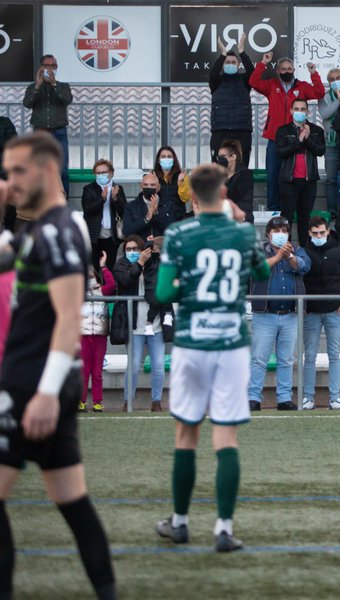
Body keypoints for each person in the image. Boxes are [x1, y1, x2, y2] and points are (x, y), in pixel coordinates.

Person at [0, 132, 116, 599]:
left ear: (48, 172)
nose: (11, 182)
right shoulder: (40, 230)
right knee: (72, 501)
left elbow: (71, 316)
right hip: (43, 383)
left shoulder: (60, 229)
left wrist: (46, 391)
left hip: (32, 384)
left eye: (17, 172)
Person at [154, 163, 270, 552]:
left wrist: (187, 285)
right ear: (223, 191)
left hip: (191, 341)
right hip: (231, 343)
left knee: (186, 434)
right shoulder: (240, 232)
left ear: (190, 193)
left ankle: (182, 522)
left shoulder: (178, 233)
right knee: (226, 436)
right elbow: (259, 271)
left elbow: (163, 292)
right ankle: (223, 528)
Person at [247, 216, 310, 412]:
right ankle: (253, 398)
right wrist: (277, 256)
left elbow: (305, 267)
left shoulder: (297, 250)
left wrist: (289, 256)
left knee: (286, 359)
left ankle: (284, 398)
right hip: (264, 314)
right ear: (268, 234)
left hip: (290, 314)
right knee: (259, 358)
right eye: (276, 231)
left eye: (284, 230)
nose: (280, 234)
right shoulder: (258, 250)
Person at [301, 216, 340, 411]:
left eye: (322, 232)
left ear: (328, 231)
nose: (319, 236)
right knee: (309, 355)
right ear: (309, 233)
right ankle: (307, 397)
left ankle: (335, 398)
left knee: (334, 355)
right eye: (315, 233)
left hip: (335, 310)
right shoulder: (304, 252)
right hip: (311, 311)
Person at [250, 52, 325, 211]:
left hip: (298, 139)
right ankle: (274, 211)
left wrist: (314, 74)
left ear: (294, 70)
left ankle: (291, 210)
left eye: (289, 68)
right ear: (277, 71)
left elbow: (319, 93)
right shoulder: (271, 85)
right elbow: (253, 82)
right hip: (275, 139)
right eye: (283, 69)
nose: (286, 71)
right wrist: (263, 63)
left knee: (293, 178)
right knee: (273, 177)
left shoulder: (302, 87)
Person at [113, 234, 171, 413]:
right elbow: (125, 280)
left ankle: (156, 401)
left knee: (159, 364)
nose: (132, 252)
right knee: (134, 365)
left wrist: (154, 251)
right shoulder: (121, 265)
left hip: (156, 324)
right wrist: (138, 264)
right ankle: (127, 402)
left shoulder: (156, 262)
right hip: (133, 324)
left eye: (135, 249)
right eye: (128, 249)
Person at [275, 98, 325, 245]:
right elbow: (280, 152)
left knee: (305, 219)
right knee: (287, 218)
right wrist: (299, 140)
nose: (300, 112)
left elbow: (320, 151)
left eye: (303, 109)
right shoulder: (283, 130)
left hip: (309, 181)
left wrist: (308, 139)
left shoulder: (316, 130)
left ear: (308, 111)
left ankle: (305, 251)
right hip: (288, 181)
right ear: (291, 111)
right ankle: (285, 251)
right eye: (296, 109)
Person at [22, 55, 72, 197]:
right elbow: (27, 104)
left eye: (53, 66)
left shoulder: (63, 86)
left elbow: (67, 100)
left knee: (62, 170)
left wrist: (54, 84)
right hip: (40, 133)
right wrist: (38, 85)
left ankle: (63, 205)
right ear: (41, 67)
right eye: (46, 66)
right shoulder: (33, 87)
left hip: (59, 132)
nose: (50, 69)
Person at [209, 35, 254, 166]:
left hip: (242, 129)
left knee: (242, 166)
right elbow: (213, 74)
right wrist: (222, 54)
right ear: (222, 65)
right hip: (220, 129)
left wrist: (241, 51)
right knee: (218, 167)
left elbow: (252, 72)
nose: (230, 64)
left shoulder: (245, 81)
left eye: (233, 62)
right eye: (227, 62)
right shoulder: (216, 82)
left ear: (238, 64)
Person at [80, 252, 116, 413]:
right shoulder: (78, 294)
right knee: (83, 371)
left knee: (97, 371)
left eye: (91, 275)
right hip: (82, 335)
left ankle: (97, 401)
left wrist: (103, 266)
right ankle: (80, 401)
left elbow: (112, 284)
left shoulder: (103, 291)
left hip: (100, 335)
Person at [81, 159, 127, 269]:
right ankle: (97, 286)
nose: (101, 175)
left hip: (111, 235)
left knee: (109, 266)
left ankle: (109, 286)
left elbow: (124, 211)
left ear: (111, 173)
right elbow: (88, 209)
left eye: (104, 172)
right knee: (94, 266)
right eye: (98, 173)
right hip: (94, 236)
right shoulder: (89, 189)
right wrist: (102, 198)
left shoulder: (118, 188)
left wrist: (115, 198)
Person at [320, 69, 340, 217]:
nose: (335, 80)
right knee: (331, 178)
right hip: (330, 143)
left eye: (338, 77)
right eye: (331, 79)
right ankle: (332, 210)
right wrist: (339, 99)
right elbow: (325, 113)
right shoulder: (323, 97)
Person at [217, 140, 254, 224]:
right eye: (219, 157)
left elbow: (232, 194)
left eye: (223, 156)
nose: (220, 160)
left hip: (242, 220)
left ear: (233, 157)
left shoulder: (245, 174)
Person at [124, 173, 167, 242]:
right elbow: (127, 232)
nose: (149, 187)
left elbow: (171, 230)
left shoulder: (168, 205)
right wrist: (147, 218)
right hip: (141, 248)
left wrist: (156, 214)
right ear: (141, 186)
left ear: (158, 187)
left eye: (152, 185)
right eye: (145, 185)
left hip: (161, 248)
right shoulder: (131, 206)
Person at [152, 146, 191, 220]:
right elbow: (149, 199)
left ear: (174, 160)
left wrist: (181, 183)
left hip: (178, 217)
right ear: (158, 160)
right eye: (163, 157)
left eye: (169, 156)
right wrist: (155, 187)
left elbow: (185, 198)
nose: (166, 159)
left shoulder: (181, 175)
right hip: (159, 217)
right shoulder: (153, 176)